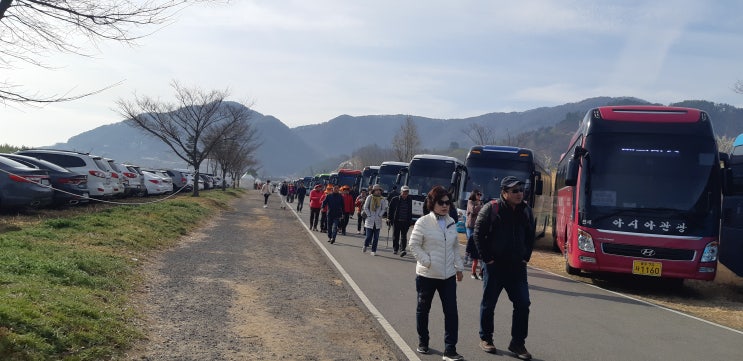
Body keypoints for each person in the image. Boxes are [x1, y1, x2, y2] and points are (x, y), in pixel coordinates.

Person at [473, 176, 535, 360]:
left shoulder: (526, 211)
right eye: (514, 191)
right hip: (495, 267)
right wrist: (487, 259)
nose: (519, 193)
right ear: (504, 193)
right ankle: (486, 338)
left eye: (521, 190)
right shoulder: (491, 209)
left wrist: (526, 257)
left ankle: (517, 343)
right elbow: (478, 234)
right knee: (489, 303)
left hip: (517, 268)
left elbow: (530, 236)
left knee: (523, 304)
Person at [408, 185, 464, 361]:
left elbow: (455, 247)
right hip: (427, 276)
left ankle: (450, 350)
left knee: (451, 312)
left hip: (447, 277)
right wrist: (427, 261)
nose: (445, 205)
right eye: (441, 202)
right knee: (423, 310)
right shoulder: (423, 222)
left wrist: (459, 267)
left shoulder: (451, 222)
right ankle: (423, 341)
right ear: (432, 203)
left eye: (448, 202)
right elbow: (414, 245)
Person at [361, 184, 388, 256]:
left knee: (376, 237)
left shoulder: (382, 199)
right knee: (368, 236)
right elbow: (365, 207)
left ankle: (373, 250)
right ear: (373, 191)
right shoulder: (369, 197)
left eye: (379, 190)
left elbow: (384, 208)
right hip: (369, 220)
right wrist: (369, 215)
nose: (378, 192)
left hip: (378, 221)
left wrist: (380, 215)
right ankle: (365, 245)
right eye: (376, 190)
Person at [387, 185, 413, 256]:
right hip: (396, 220)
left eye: (407, 193)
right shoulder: (395, 199)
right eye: (404, 192)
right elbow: (390, 209)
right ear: (401, 192)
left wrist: (410, 221)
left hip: (405, 221)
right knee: (396, 235)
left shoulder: (409, 200)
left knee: (404, 236)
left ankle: (402, 250)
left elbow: (410, 211)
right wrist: (389, 218)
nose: (405, 194)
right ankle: (395, 249)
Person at [465, 189, 484, 280]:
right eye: (478, 194)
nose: (479, 196)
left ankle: (479, 271)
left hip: (478, 226)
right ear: (474, 195)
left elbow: (483, 212)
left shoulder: (481, 203)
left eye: (480, 194)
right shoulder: (470, 202)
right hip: (470, 225)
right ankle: (469, 258)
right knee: (471, 242)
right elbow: (473, 211)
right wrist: (479, 206)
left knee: (478, 244)